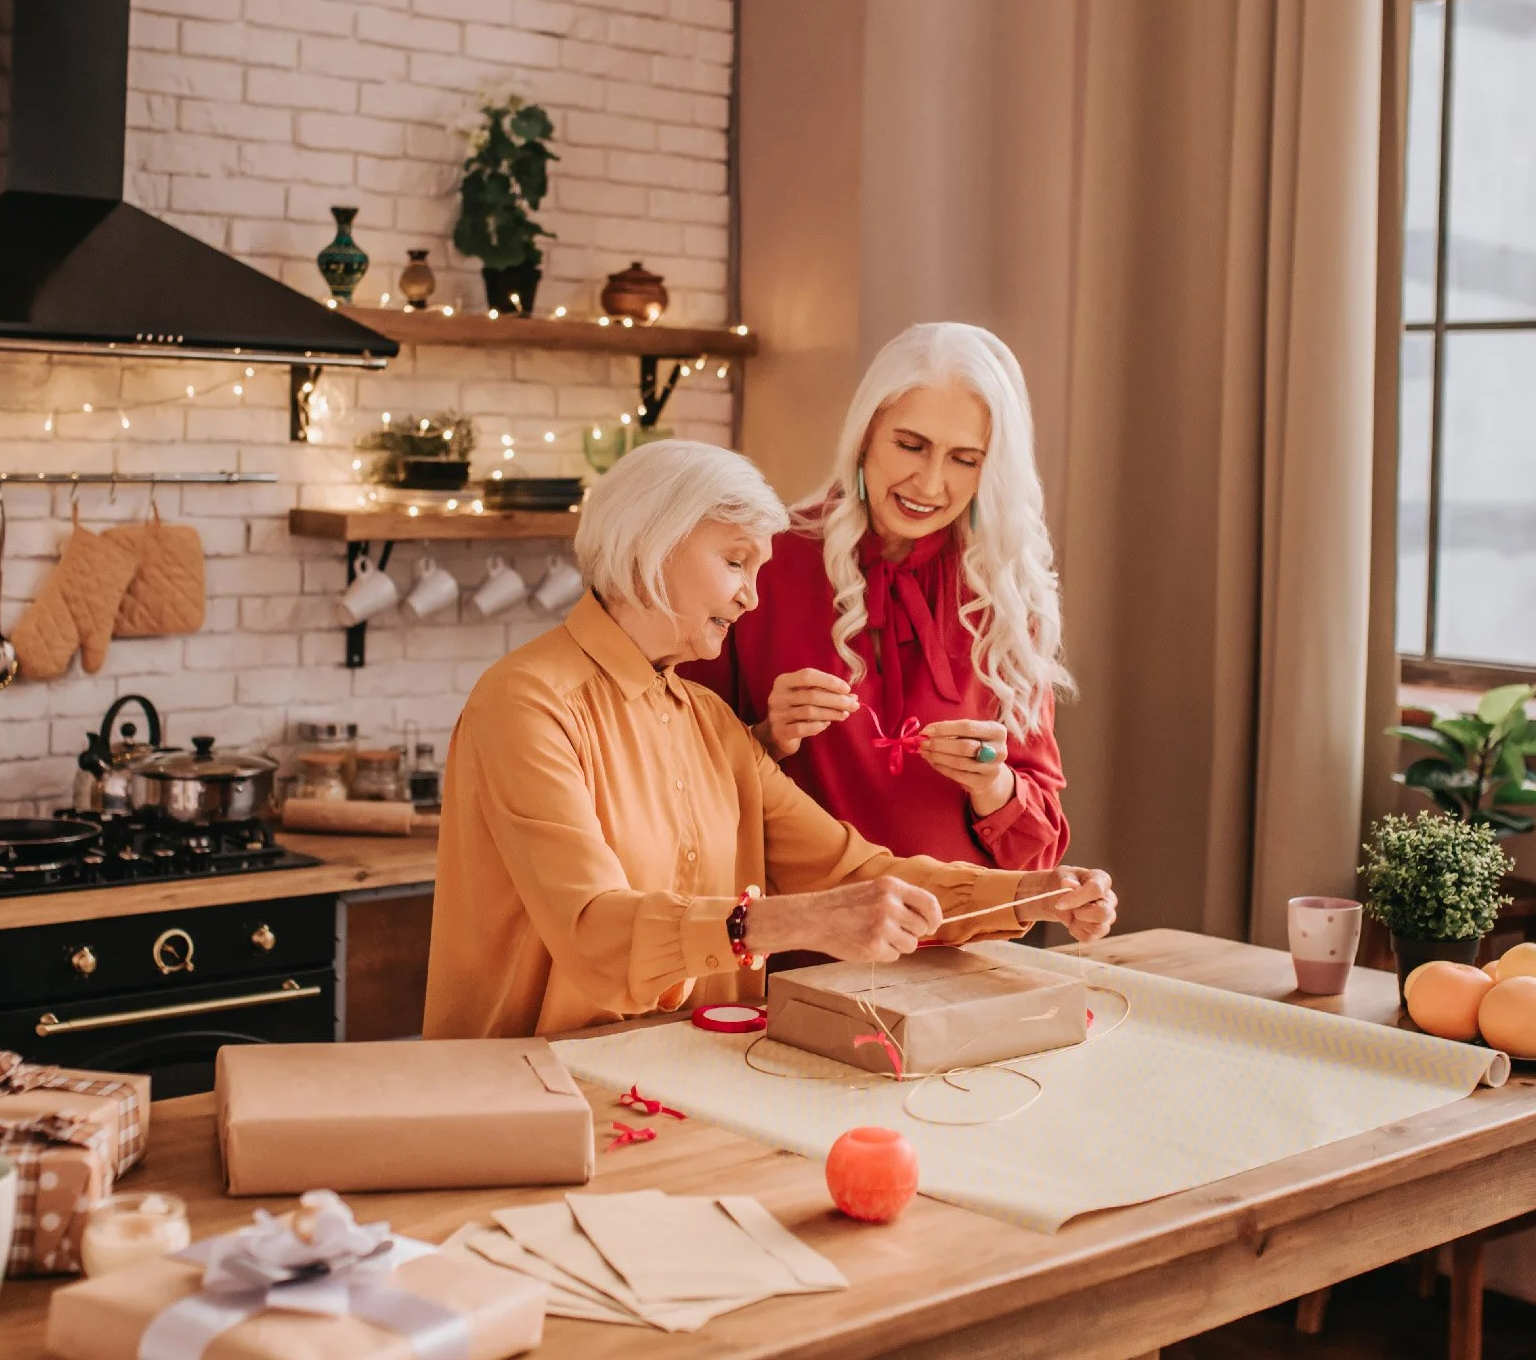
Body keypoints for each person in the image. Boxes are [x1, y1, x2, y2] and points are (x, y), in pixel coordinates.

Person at [423, 439, 1113, 1040]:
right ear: (650, 547)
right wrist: (798, 922)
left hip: (690, 1082)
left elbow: (853, 872)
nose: (753, 597)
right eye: (734, 562)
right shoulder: (526, 702)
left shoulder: (709, 721)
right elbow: (595, 932)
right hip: (535, 1096)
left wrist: (1027, 894)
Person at [684, 322, 1081, 873]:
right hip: (805, 947)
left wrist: (995, 782)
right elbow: (671, 781)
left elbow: (1037, 851)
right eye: (911, 445)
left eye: (965, 459)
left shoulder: (1007, 590)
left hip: (962, 944)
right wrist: (767, 738)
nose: (930, 484)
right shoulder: (764, 560)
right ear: (866, 435)